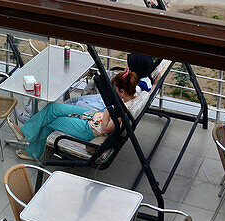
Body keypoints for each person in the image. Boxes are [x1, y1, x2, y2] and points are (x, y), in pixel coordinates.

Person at [7, 69, 141, 161]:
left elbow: (106, 129)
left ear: (122, 91)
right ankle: (25, 132)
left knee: (51, 122)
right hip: (93, 116)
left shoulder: (124, 110)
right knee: (53, 108)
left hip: (91, 129)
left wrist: (107, 109)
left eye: (115, 90)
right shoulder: (131, 98)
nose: (113, 92)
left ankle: (33, 151)